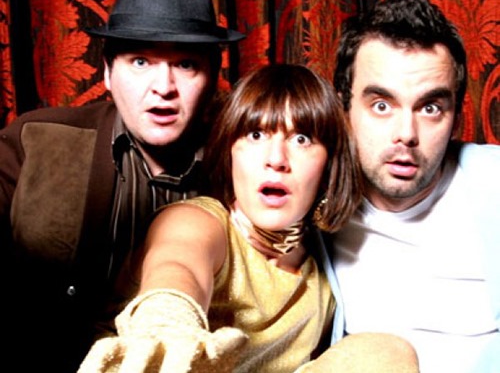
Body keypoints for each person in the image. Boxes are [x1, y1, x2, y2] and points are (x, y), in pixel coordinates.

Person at [77, 64, 420, 373]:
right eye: (256, 135)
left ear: (329, 165)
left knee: (383, 352)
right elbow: (177, 266)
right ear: (230, 152)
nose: (276, 159)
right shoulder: (196, 221)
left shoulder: (322, 276)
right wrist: (168, 321)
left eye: (301, 139)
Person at [0, 0, 244, 372]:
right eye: (140, 62)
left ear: (211, 77)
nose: (163, 87)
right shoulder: (35, 140)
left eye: (185, 64)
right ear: (108, 73)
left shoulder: (244, 161)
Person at [328, 0, 500, 373]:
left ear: (456, 118)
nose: (406, 134)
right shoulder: (311, 195)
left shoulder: (493, 186)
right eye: (381, 105)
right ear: (343, 108)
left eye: (430, 108)